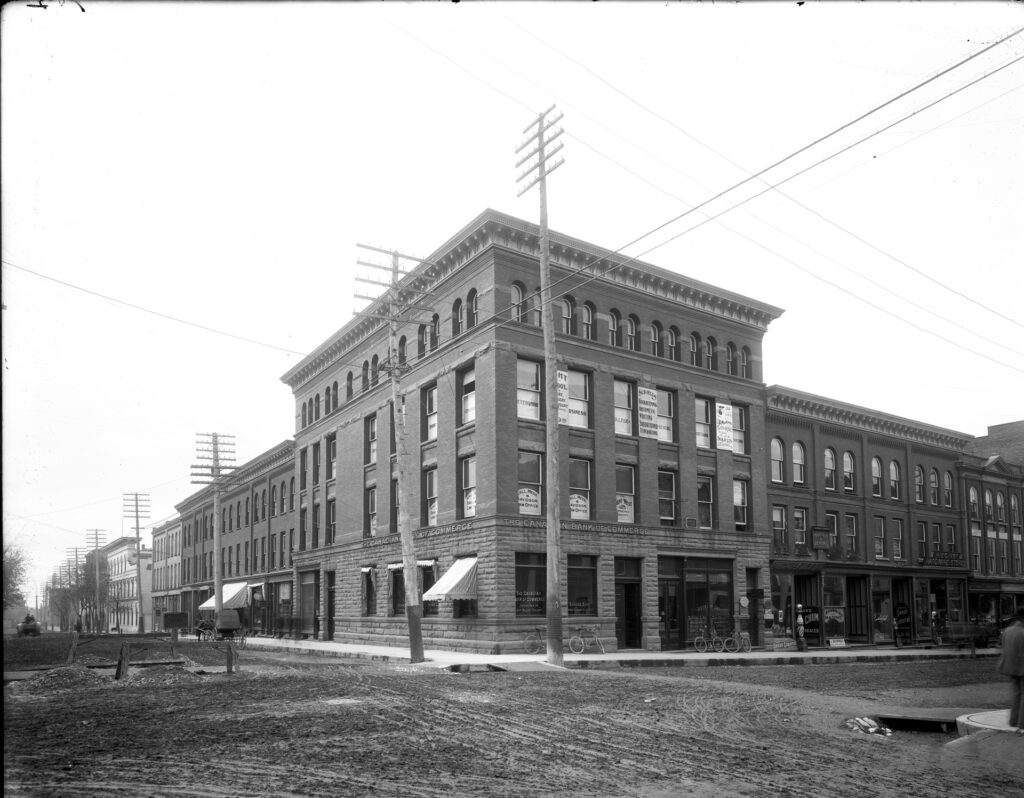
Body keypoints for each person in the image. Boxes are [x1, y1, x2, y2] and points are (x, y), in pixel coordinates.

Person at [996, 606, 1024, 733]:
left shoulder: (1008, 630)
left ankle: (1014, 720)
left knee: (1017, 693)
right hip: (1022, 667)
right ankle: (1022, 722)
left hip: (1010, 667)